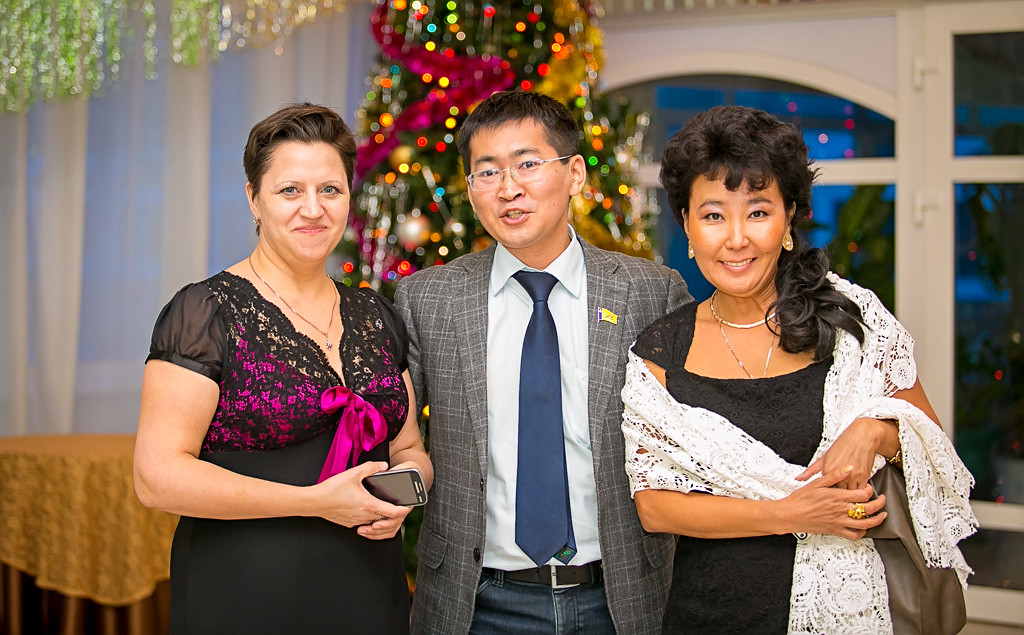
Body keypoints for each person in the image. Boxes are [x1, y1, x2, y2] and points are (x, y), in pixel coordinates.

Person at [620, 105, 976, 634]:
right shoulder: (660, 350)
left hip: (852, 610)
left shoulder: (850, 322)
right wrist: (793, 513)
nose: (736, 238)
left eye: (757, 212)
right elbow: (656, 508)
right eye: (713, 215)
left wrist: (874, 430)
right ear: (688, 227)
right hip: (710, 615)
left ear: (788, 218)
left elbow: (933, 445)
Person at [394, 90, 691, 635]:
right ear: (470, 189)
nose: (508, 188)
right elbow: (391, 429)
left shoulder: (650, 292)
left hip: (620, 597)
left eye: (528, 164)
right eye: (487, 172)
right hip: (475, 601)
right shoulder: (428, 298)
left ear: (575, 173)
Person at [133, 103, 432, 635]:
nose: (312, 209)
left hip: (369, 592)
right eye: (290, 190)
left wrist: (403, 496)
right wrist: (314, 503)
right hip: (243, 595)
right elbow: (156, 478)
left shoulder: (377, 315)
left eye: (330, 189)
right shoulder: (205, 311)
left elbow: (410, 450)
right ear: (254, 198)